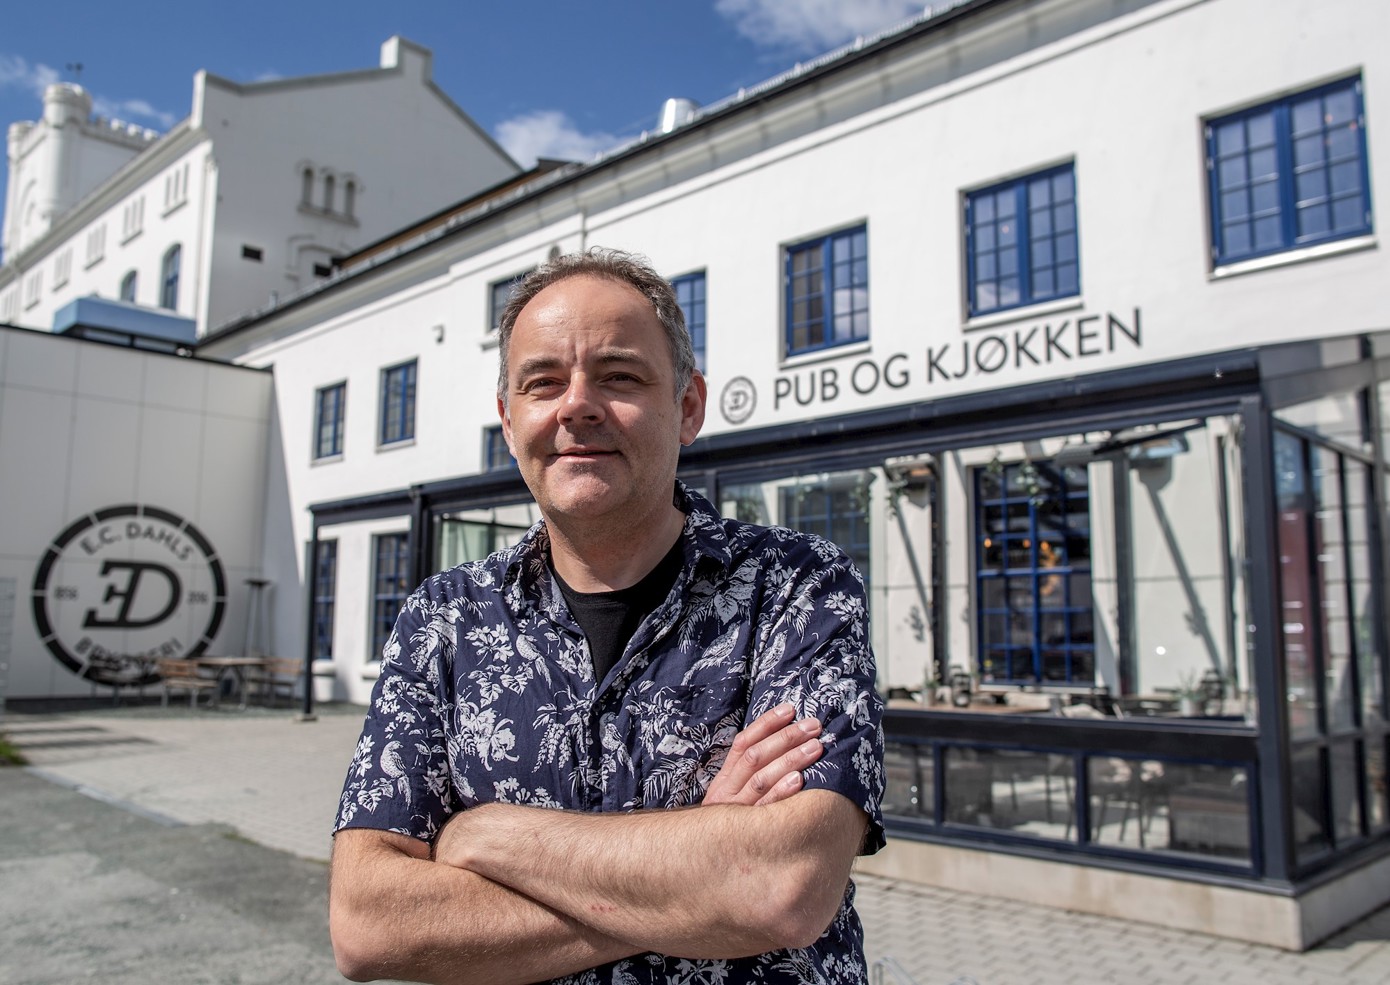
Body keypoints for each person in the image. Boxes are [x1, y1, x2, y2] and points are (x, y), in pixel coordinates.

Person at [329, 248, 885, 985]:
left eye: (619, 376)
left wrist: (484, 834)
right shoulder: (443, 619)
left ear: (687, 408)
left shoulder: (798, 587)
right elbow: (369, 925)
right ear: (508, 419)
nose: (577, 404)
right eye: (543, 382)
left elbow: (781, 885)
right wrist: (698, 862)